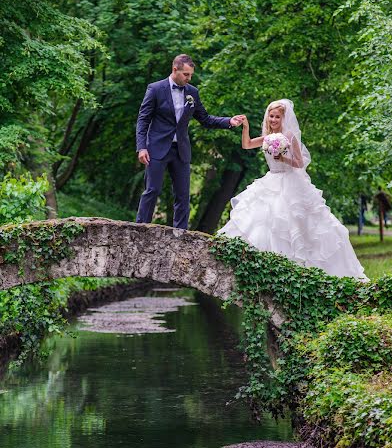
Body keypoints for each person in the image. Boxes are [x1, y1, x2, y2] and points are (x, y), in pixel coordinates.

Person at [218, 99, 368, 281]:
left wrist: (282, 159)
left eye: (277, 117)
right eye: (271, 116)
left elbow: (299, 162)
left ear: (284, 118)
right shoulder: (266, 137)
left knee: (295, 222)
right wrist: (245, 127)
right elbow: (247, 144)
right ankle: (267, 267)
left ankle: (303, 267)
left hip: (290, 181)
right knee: (266, 220)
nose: (273, 119)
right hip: (271, 179)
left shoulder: (289, 136)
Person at [136, 54, 245, 229]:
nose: (189, 78)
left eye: (191, 75)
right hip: (156, 148)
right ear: (175, 70)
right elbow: (143, 120)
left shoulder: (192, 92)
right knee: (152, 190)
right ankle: (140, 228)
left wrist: (229, 122)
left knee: (183, 195)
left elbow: (205, 119)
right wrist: (141, 147)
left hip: (181, 150)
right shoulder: (155, 89)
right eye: (186, 74)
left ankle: (181, 234)